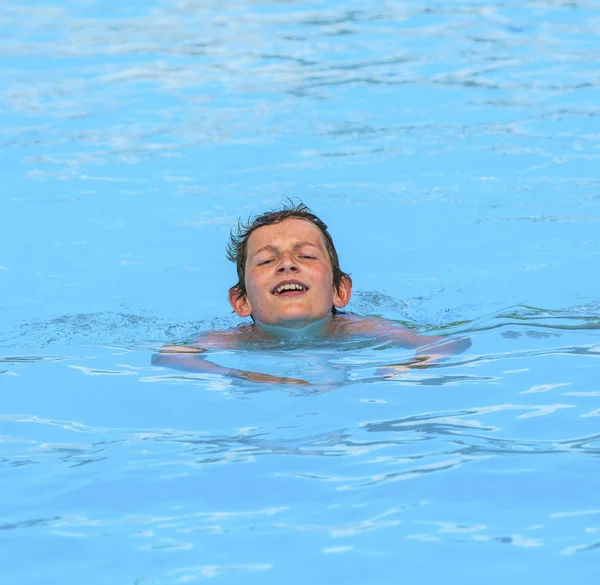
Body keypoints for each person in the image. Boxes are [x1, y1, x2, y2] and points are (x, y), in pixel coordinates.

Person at [152, 201, 470, 385]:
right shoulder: (238, 340)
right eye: (266, 260)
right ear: (242, 301)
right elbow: (169, 355)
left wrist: (401, 369)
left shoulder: (358, 329)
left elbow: (449, 344)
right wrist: (242, 374)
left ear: (339, 291)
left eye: (305, 256)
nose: (287, 266)